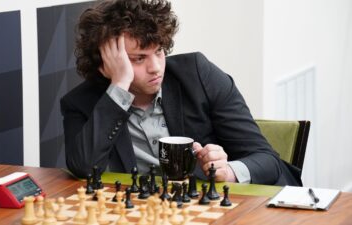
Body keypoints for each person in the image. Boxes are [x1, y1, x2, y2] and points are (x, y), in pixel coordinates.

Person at [61, 0, 301, 186]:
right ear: (106, 64)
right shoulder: (82, 103)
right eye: (139, 58)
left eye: (159, 51)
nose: (155, 67)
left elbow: (268, 160)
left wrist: (227, 171)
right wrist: (120, 86)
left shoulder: (198, 75)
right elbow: (84, 168)